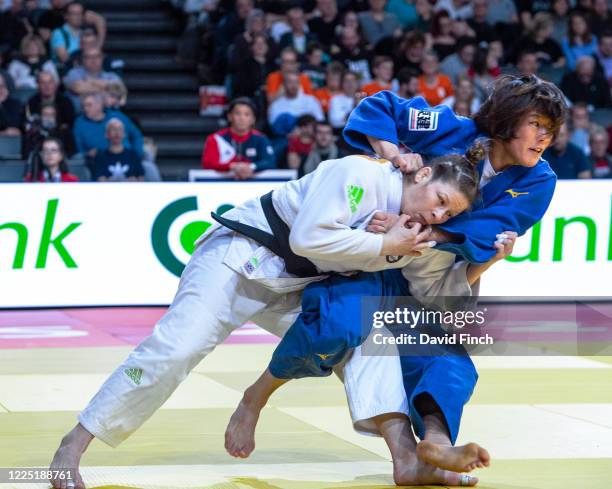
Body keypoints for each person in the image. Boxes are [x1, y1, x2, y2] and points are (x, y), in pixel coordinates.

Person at [48, 138, 481, 489]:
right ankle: (75, 441)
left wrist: (483, 260)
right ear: (422, 174)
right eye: (440, 199)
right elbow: (309, 239)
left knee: (371, 341)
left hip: (292, 287)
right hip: (238, 259)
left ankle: (406, 461)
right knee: (178, 349)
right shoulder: (362, 174)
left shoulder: (412, 232)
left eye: (449, 213)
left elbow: (436, 291)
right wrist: (385, 246)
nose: (437, 214)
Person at [224, 75, 567, 485]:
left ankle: (435, 445)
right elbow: (378, 106)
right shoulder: (452, 128)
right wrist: (392, 156)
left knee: (448, 362)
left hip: (430, 277)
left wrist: (415, 228)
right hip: (375, 259)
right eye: (537, 125)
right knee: (338, 325)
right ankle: (257, 395)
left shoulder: (539, 180)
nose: (544, 137)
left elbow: (489, 228)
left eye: (551, 130)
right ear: (509, 120)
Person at [201, 97, 275, 178]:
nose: (242, 118)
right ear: (229, 116)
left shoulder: (261, 139)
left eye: (247, 114)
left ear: (253, 119)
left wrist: (251, 167)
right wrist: (232, 167)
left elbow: (270, 162)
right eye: (237, 113)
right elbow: (208, 163)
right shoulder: (216, 139)